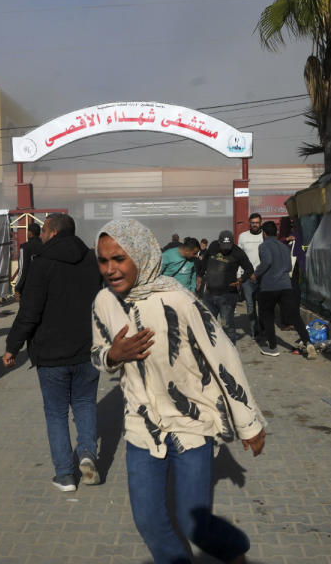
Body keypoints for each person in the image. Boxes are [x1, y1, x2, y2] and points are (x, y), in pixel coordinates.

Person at [91, 219, 266, 564]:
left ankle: (233, 548)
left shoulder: (178, 299)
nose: (110, 269)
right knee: (149, 521)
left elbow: (223, 357)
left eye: (119, 259)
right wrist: (114, 355)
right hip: (142, 426)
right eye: (103, 260)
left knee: (192, 524)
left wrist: (249, 423)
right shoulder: (103, 302)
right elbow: (97, 352)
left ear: (140, 255)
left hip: (192, 425)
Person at [2, 213, 103, 492]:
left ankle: (65, 475)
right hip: (88, 350)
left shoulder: (42, 264)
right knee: (85, 404)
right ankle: (86, 454)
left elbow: (29, 312)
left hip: (51, 354)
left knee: (56, 413)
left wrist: (12, 346)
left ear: (51, 231)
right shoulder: (93, 261)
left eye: (44, 232)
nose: (42, 236)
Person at [255, 221, 318, 359]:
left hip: (269, 287)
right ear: (276, 233)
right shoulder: (284, 247)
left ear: (264, 234)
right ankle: (307, 342)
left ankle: (273, 347)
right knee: (295, 316)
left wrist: (256, 273)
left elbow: (267, 261)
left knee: (268, 316)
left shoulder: (264, 246)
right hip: (285, 285)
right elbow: (289, 267)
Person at [201, 231, 255, 343]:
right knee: (207, 324)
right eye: (223, 246)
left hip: (228, 296)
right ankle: (211, 350)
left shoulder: (238, 252)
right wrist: (200, 275)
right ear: (219, 242)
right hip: (209, 294)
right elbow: (205, 260)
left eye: (228, 247)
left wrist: (241, 280)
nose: (226, 249)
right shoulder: (213, 246)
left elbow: (249, 269)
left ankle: (231, 352)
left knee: (227, 325)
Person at [237, 213, 265, 338]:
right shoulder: (242, 236)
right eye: (252, 222)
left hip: (263, 276)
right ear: (249, 223)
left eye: (257, 222)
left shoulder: (265, 236)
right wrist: (239, 275)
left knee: (264, 304)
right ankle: (255, 332)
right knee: (250, 304)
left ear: (260, 223)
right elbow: (239, 257)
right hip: (247, 277)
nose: (255, 224)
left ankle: (264, 329)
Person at [14, 221, 44, 300]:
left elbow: (22, 269)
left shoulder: (25, 247)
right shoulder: (45, 246)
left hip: (29, 286)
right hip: (43, 285)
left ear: (30, 233)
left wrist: (17, 287)